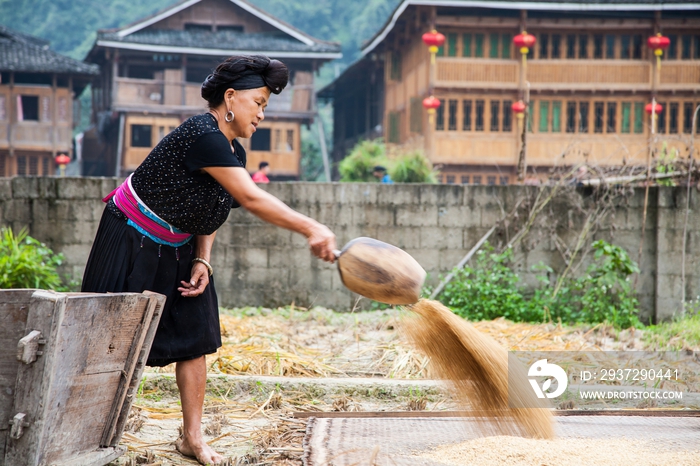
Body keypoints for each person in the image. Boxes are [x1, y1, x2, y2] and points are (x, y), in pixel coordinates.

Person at [81, 55, 336, 465]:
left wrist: (203, 259)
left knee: (196, 338)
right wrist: (312, 228)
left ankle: (192, 438)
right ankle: (85, 436)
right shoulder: (204, 135)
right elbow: (252, 198)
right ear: (231, 97)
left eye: (266, 106)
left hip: (180, 245)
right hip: (131, 237)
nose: (262, 114)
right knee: (108, 341)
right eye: (259, 103)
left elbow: (213, 206)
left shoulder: (233, 150)